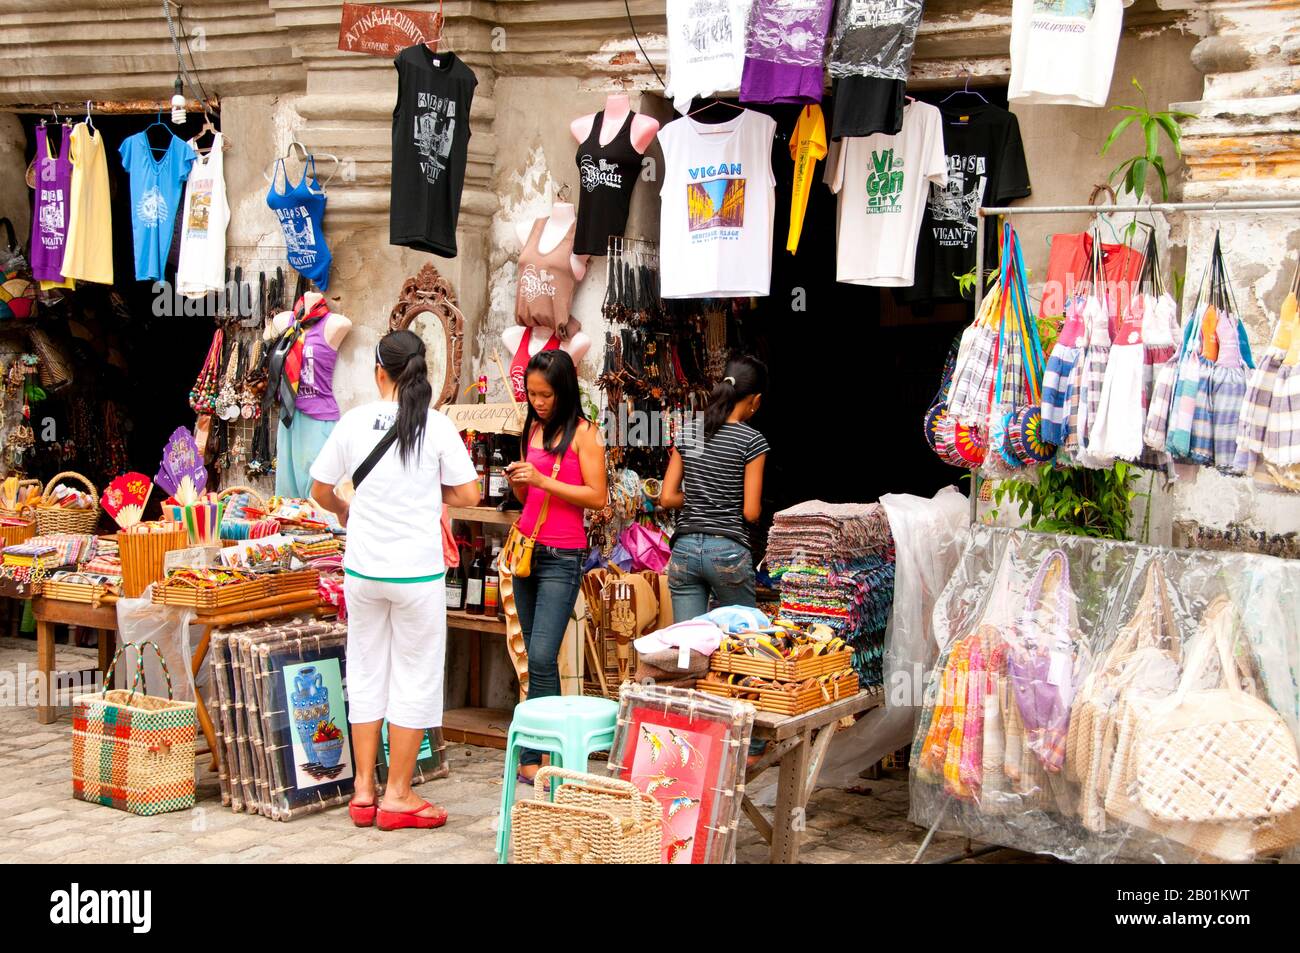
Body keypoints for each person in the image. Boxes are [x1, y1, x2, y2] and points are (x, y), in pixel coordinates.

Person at [310, 330, 480, 831]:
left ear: (379, 371)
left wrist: (347, 507)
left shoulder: (353, 422)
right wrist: (432, 493)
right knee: (414, 676)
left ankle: (364, 790)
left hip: (363, 571)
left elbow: (319, 489)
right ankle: (399, 794)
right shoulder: (437, 427)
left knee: (365, 670)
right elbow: (470, 494)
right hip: (416, 574)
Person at [506, 349, 607, 783]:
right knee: (532, 656)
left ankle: (548, 753)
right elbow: (533, 500)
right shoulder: (532, 427)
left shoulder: (587, 434)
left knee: (545, 655)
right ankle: (541, 755)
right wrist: (520, 484)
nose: (538, 401)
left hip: (563, 556)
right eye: (532, 394)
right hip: (527, 549)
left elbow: (597, 498)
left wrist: (545, 480)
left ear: (564, 391)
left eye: (545, 394)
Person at [659, 355, 770, 621]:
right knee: (741, 644)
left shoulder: (690, 432)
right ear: (755, 400)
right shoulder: (751, 440)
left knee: (689, 647)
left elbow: (667, 496)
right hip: (727, 550)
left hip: (684, 548)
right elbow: (751, 512)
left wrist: (699, 498)